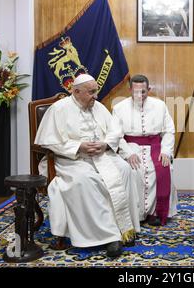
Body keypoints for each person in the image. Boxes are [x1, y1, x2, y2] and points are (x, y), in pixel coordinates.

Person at [34, 73, 141, 258]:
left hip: (102, 156)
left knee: (124, 170)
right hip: (72, 161)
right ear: (76, 92)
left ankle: (125, 228)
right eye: (91, 92)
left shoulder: (98, 107)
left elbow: (115, 132)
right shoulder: (59, 109)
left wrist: (105, 144)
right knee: (87, 180)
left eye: (96, 92)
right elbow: (48, 142)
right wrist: (78, 147)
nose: (96, 96)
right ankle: (108, 236)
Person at [112, 74, 178, 226]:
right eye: (136, 92)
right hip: (130, 147)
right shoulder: (119, 108)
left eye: (143, 92)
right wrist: (127, 153)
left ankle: (156, 212)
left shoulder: (160, 105)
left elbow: (169, 131)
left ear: (149, 89)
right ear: (130, 90)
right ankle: (137, 214)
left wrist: (166, 151)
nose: (139, 95)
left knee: (163, 167)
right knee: (135, 170)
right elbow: (116, 136)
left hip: (155, 146)